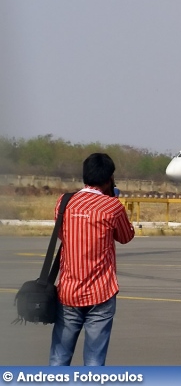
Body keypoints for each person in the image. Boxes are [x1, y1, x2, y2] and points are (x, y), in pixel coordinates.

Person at [50, 153, 135, 366]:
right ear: (110, 179)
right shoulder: (112, 207)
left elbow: (62, 235)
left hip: (68, 291)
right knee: (95, 361)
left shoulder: (64, 202)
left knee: (59, 358)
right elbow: (126, 237)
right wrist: (113, 200)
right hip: (101, 292)